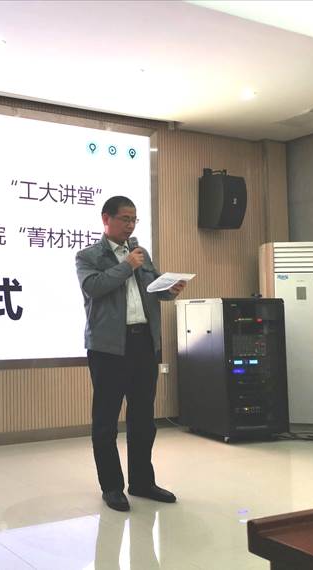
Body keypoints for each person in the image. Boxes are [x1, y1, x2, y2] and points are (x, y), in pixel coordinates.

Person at [75, 196, 186, 512]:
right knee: (106, 421)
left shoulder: (140, 253)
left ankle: (142, 482)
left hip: (143, 344)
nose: (130, 225)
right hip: (108, 348)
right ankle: (111, 486)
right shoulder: (88, 256)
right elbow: (94, 287)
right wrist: (127, 266)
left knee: (143, 419)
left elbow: (152, 288)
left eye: (134, 219)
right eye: (124, 218)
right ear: (106, 219)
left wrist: (169, 290)